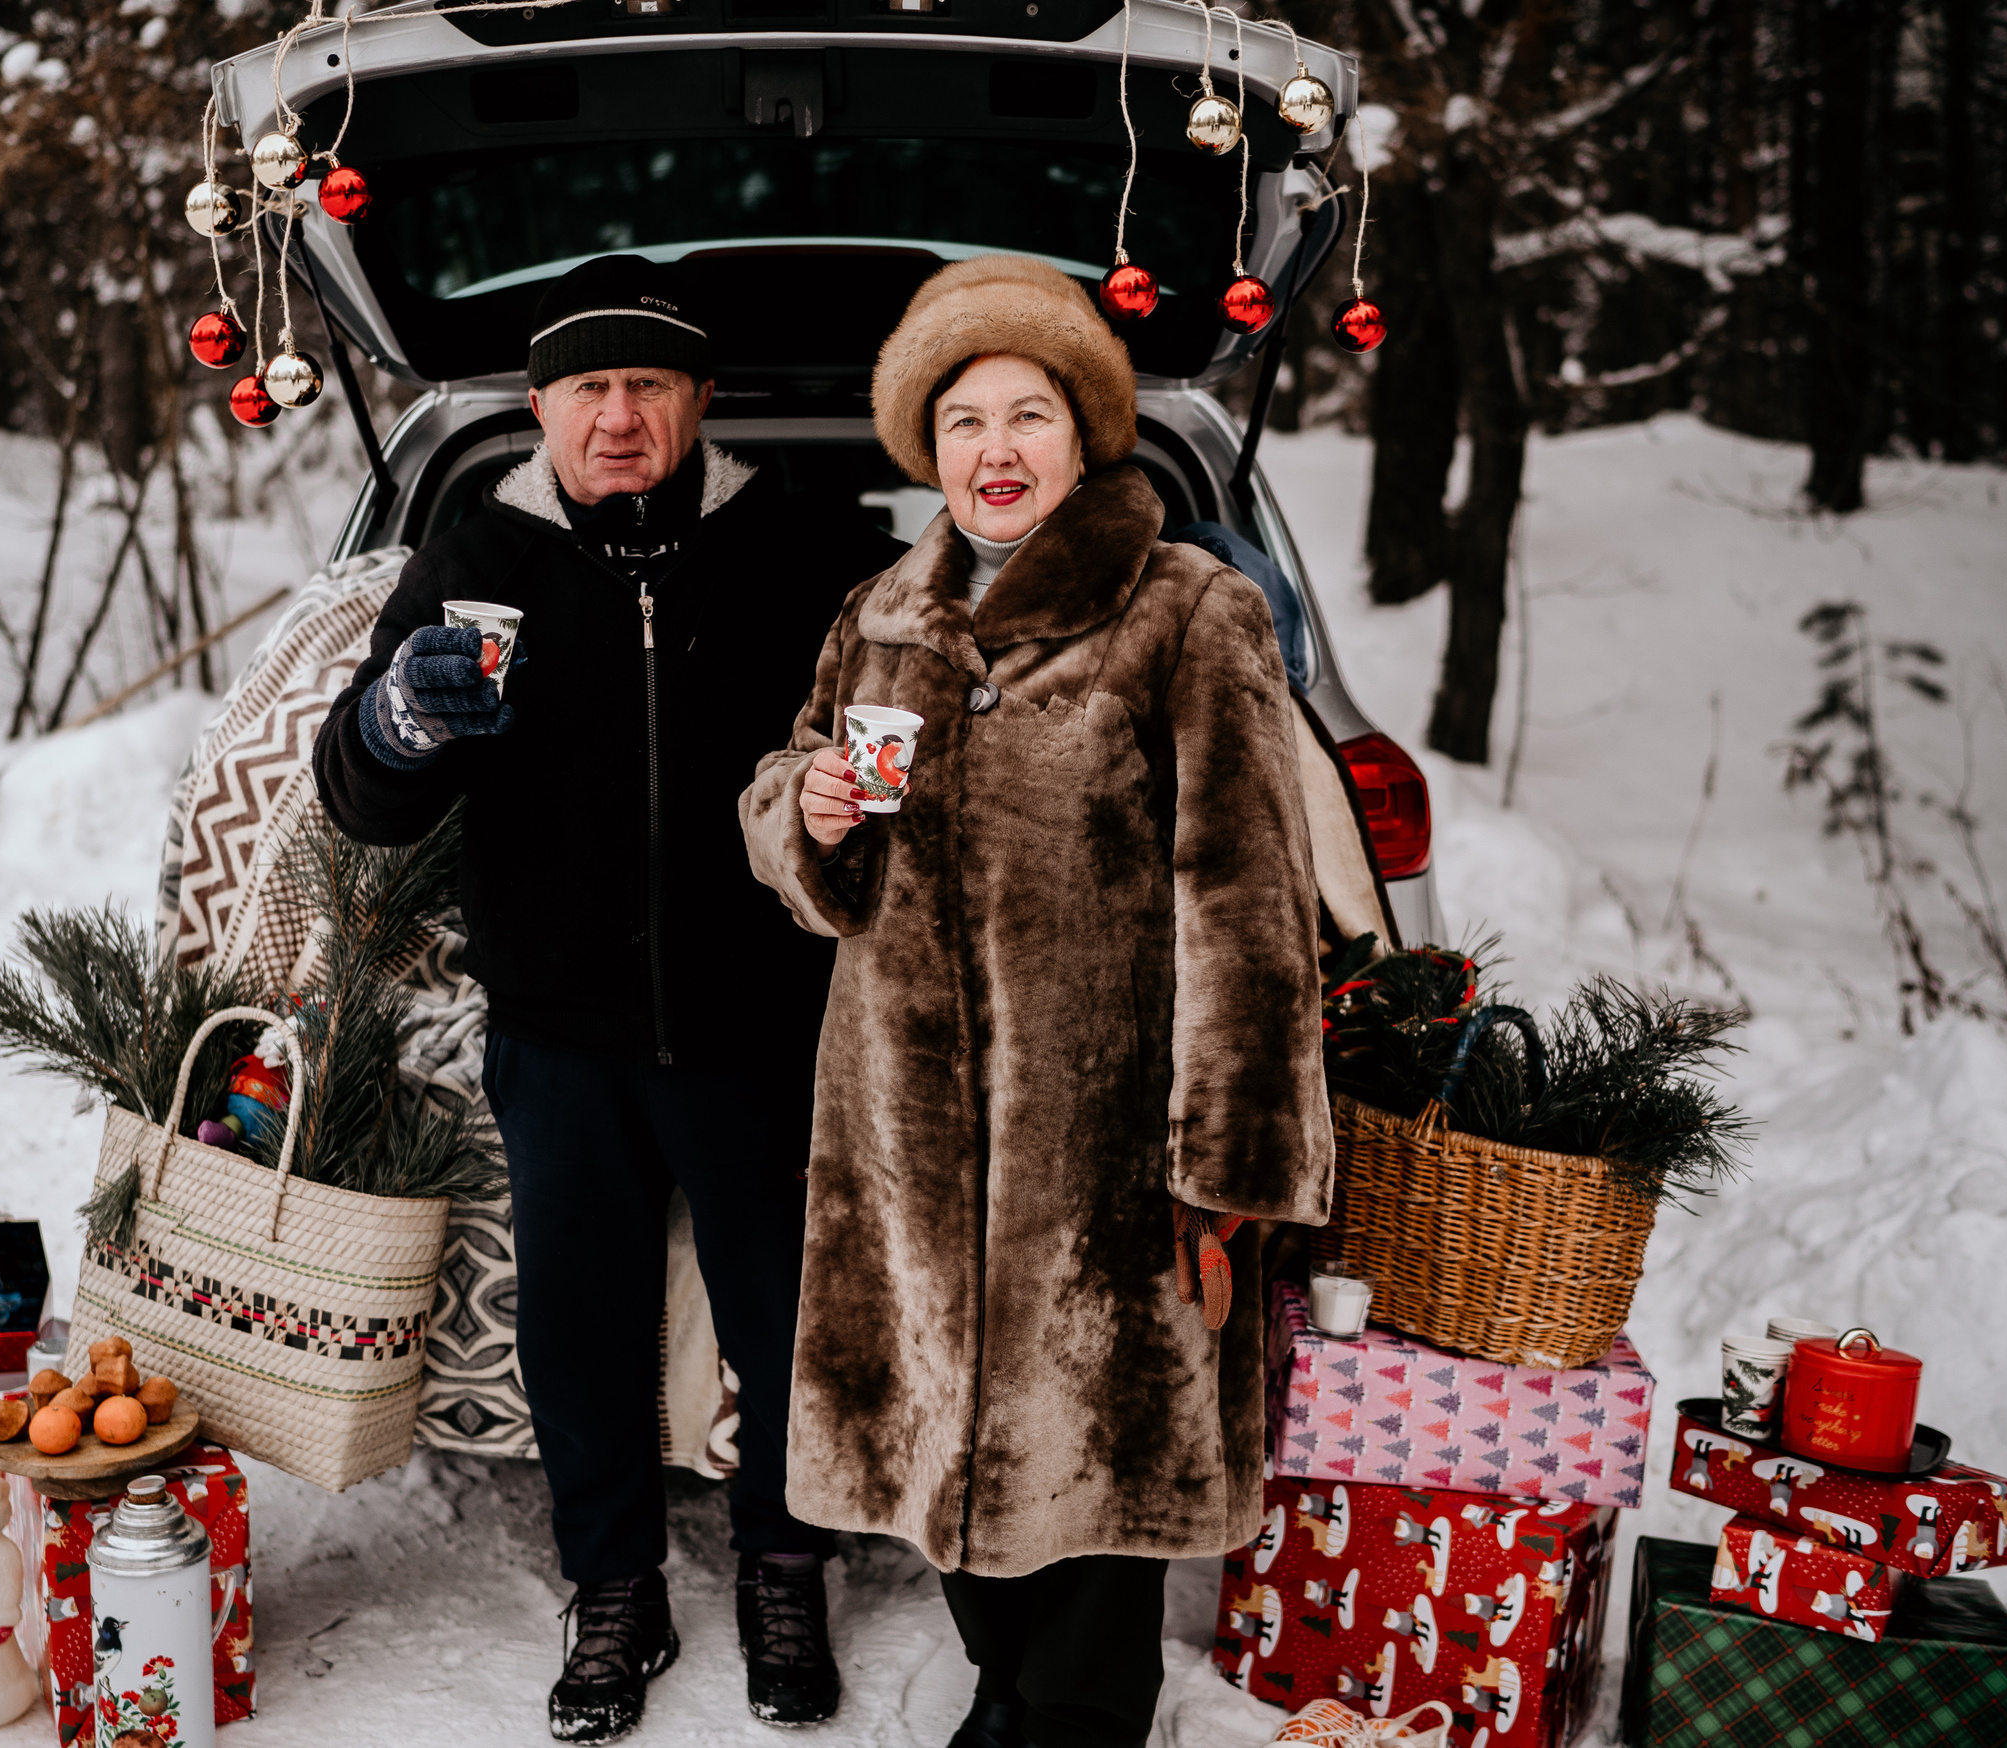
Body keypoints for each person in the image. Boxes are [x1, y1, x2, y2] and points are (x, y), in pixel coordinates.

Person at [740, 256, 1336, 1748]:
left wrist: (1232, 1170)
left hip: (1109, 1157)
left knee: (1092, 1476)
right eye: (961, 422)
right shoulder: (883, 614)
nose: (993, 453)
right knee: (946, 1459)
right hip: (906, 1143)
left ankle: (1062, 1717)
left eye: (1026, 415)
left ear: (1085, 433)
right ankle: (1007, 1691)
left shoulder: (1189, 610)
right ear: (925, 448)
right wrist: (798, 819)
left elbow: (1252, 907)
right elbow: (818, 842)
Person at [312, 254, 903, 1743]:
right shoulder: (468, 545)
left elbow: (885, 766)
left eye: (648, 384)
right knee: (577, 1321)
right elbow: (361, 798)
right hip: (557, 1025)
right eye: (589, 387)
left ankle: (782, 1566)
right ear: (539, 407)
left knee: (786, 1320)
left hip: (765, 1016)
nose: (619, 417)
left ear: (701, 402)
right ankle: (613, 1589)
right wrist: (398, 720)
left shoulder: (804, 548)